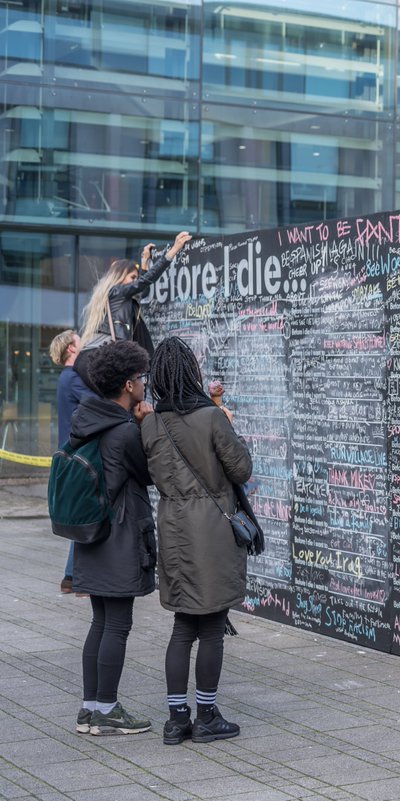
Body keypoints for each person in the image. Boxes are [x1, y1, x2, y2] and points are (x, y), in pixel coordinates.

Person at [142, 337, 251, 745]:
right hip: (212, 530)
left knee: (182, 625)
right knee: (211, 627)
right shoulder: (211, 417)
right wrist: (229, 423)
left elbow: (149, 473)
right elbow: (240, 469)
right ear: (192, 372)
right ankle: (206, 715)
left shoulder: (151, 423)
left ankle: (175, 720)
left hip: (172, 527)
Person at [69, 340, 156, 736]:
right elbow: (149, 472)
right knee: (117, 624)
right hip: (119, 537)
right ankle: (107, 709)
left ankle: (90, 708)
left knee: (100, 622)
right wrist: (144, 424)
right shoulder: (122, 431)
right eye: (140, 378)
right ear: (127, 384)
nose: (143, 385)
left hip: (91, 536)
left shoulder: (87, 420)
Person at [75, 232, 192, 392]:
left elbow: (140, 288)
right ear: (120, 277)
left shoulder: (113, 295)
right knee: (120, 401)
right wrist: (174, 250)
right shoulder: (117, 291)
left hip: (92, 358)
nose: (135, 281)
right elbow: (143, 283)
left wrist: (144, 261)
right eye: (132, 277)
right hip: (101, 359)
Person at [49, 329, 94, 594]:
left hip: (71, 455)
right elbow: (95, 401)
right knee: (85, 517)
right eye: (80, 341)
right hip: (78, 455)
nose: (84, 344)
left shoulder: (66, 378)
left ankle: (71, 577)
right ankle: (74, 579)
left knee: (82, 515)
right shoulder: (72, 378)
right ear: (71, 349)